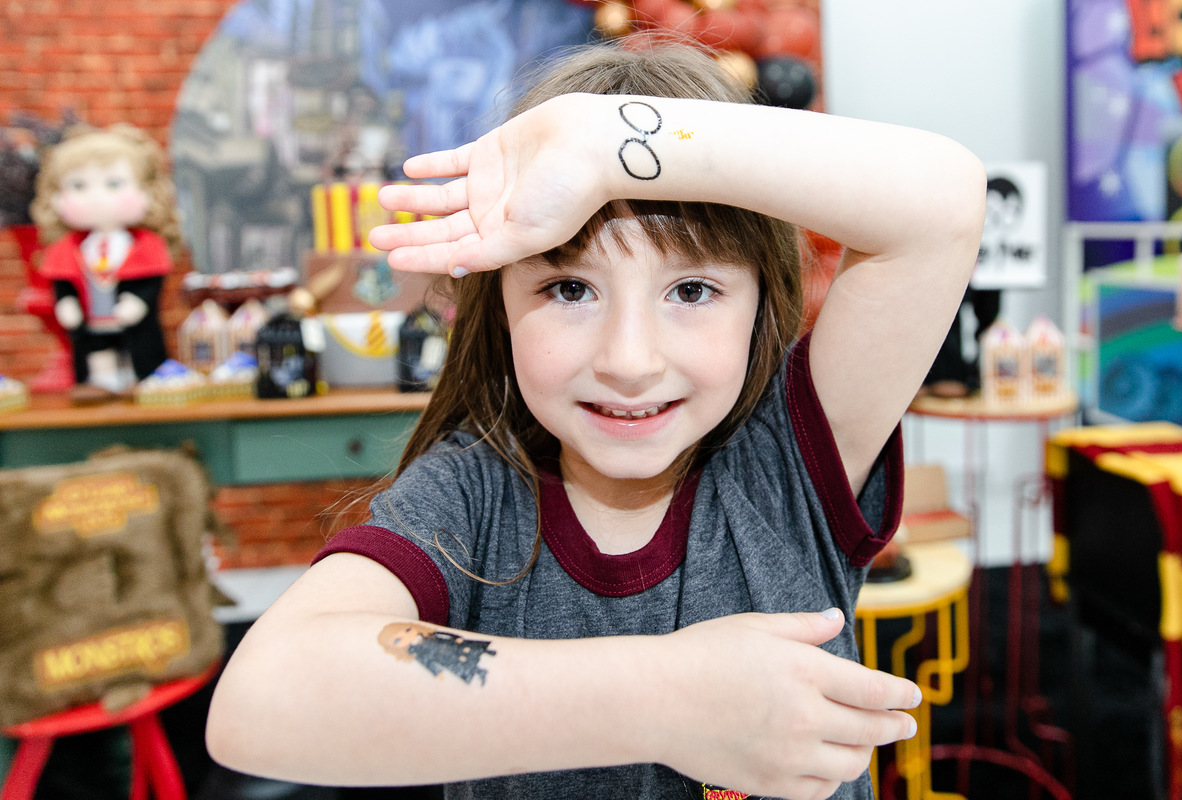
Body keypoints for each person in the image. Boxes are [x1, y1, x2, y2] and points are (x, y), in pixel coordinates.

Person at [206, 39, 985, 800]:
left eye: (691, 291)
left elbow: (942, 204)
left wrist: (611, 144)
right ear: (500, 306)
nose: (629, 360)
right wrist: (668, 699)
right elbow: (261, 701)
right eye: (571, 289)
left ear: (761, 303)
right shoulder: (472, 500)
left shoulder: (788, 460)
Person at [30, 124, 181, 403]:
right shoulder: (67, 249)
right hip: (93, 322)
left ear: (147, 191)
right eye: (79, 186)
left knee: (138, 353)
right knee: (96, 355)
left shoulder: (146, 245)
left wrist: (137, 302)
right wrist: (67, 304)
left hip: (131, 322)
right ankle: (101, 382)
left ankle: (136, 378)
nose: (96, 196)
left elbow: (151, 281)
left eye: (113, 184)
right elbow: (63, 285)